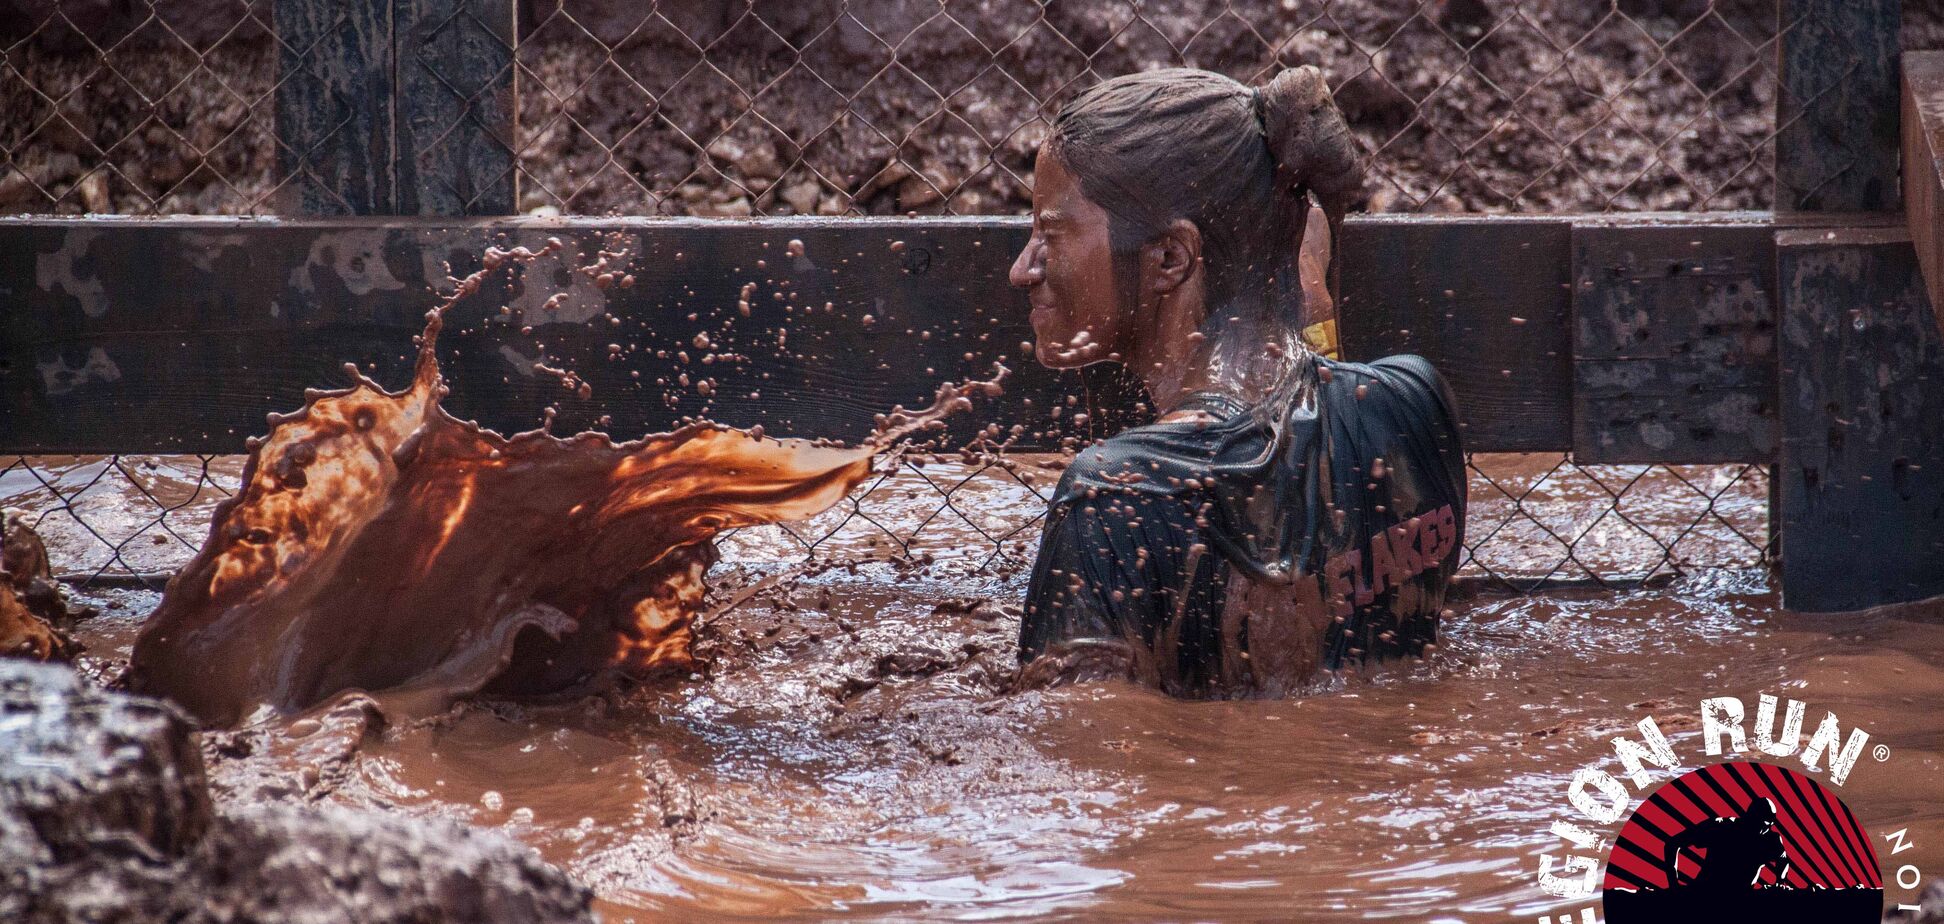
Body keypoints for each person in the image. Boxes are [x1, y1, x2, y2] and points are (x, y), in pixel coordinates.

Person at [1008, 65, 1467, 697]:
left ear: (1170, 258)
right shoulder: (1414, 405)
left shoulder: (1111, 498)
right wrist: (1310, 306)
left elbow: (1084, 770)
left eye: (1050, 233)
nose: (1022, 268)